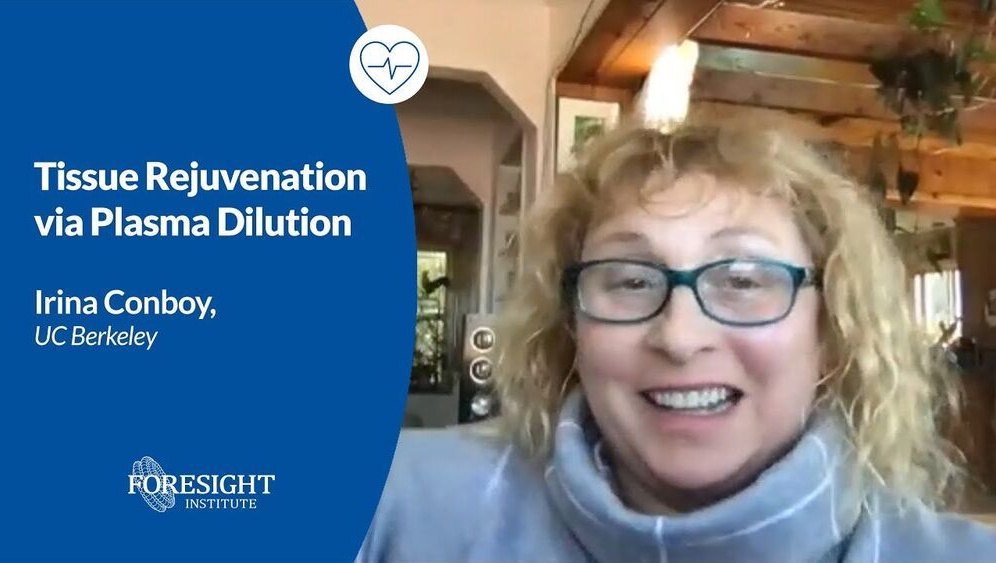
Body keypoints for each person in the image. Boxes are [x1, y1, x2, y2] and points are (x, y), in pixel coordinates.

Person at [359, 121, 996, 562]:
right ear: (570, 328)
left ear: (831, 330)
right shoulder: (390, 502)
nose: (680, 337)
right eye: (632, 281)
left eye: (742, 279)